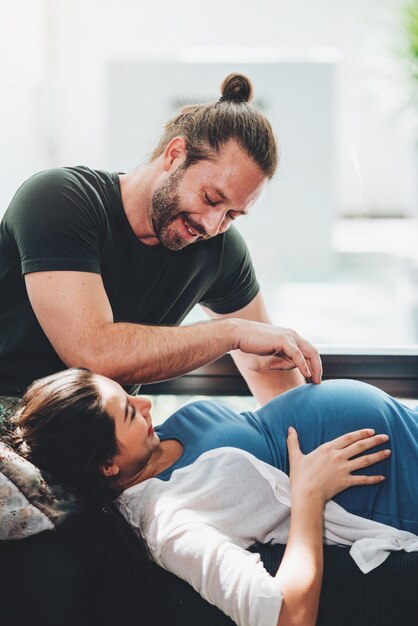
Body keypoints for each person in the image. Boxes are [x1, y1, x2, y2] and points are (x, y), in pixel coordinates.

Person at [0, 73, 322, 404]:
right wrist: (232, 332)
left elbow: (265, 366)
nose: (212, 226)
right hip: (12, 422)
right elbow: (93, 354)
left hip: (102, 444)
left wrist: (309, 444)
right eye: (211, 198)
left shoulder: (220, 250)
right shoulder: (59, 200)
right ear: (175, 155)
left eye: (232, 215)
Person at [7, 368, 418, 626]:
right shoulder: (167, 521)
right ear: (107, 465)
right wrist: (309, 493)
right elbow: (284, 617)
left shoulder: (149, 448)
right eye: (130, 412)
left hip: (405, 429)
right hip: (400, 492)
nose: (146, 403)